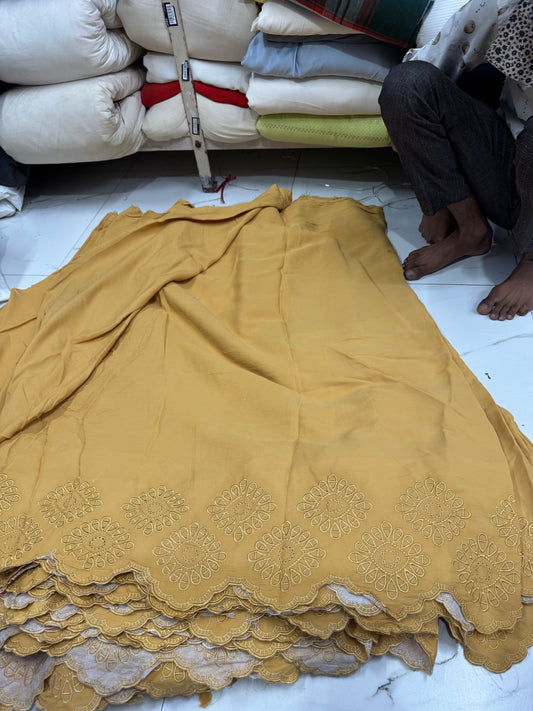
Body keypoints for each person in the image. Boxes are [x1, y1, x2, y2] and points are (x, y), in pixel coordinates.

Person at [378, 0, 533, 320]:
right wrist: (437, 197)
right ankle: (470, 230)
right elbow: (432, 63)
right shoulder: (509, 7)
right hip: (509, 169)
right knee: (406, 85)